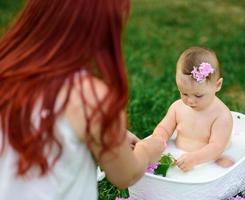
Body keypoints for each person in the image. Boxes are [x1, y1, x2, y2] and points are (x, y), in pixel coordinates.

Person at [0, 0, 165, 199]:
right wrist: (147, 150)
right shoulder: (89, 98)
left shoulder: (7, 70)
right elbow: (125, 174)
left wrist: (111, 133)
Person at [152, 47, 234, 172]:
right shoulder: (177, 107)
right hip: (178, 154)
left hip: (207, 159)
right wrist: (159, 139)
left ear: (217, 85)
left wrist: (195, 159)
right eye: (184, 93)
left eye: (198, 95)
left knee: (225, 165)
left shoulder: (221, 115)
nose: (190, 101)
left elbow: (217, 147)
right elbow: (164, 128)